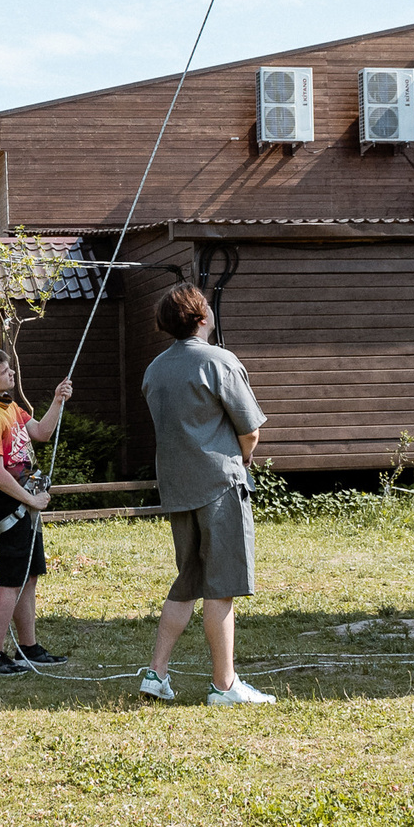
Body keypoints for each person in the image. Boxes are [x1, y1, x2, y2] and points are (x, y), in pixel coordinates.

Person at [137, 284, 273, 706]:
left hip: (177, 488)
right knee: (221, 586)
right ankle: (224, 686)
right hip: (219, 484)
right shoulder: (220, 362)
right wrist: (244, 458)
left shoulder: (154, 369)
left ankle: (156, 675)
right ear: (201, 317)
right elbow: (250, 430)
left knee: (187, 581)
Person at [0, 347, 74, 677]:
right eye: (5, 371)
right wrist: (31, 499)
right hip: (8, 502)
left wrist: (58, 400)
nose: (12, 374)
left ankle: (28, 648)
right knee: (11, 581)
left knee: (29, 577)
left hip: (25, 500)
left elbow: (41, 433)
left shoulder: (9, 406)